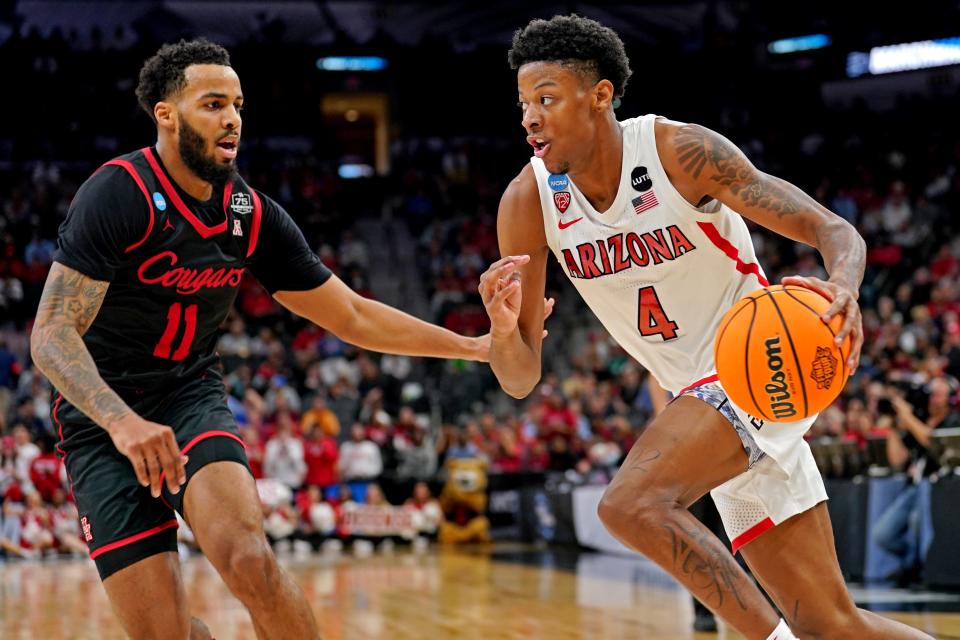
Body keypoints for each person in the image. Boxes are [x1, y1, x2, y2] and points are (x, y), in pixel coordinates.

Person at [28, 38, 528, 640]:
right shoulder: (120, 192)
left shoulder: (250, 214)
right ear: (166, 113)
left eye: (237, 104)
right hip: (100, 420)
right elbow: (51, 333)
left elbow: (354, 316)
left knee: (249, 560)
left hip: (187, 396)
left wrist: (474, 346)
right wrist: (121, 422)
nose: (233, 118)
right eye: (212, 104)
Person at [480, 15, 931, 640]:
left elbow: (834, 231)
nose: (529, 117)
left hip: (762, 365)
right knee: (833, 626)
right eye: (524, 103)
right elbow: (520, 377)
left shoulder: (678, 153)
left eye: (547, 99)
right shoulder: (526, 203)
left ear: (601, 94)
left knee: (630, 505)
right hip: (701, 398)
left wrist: (845, 287)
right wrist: (503, 330)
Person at [874, 378, 960, 586]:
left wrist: (907, 416)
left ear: (951, 399)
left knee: (916, 527)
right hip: (914, 488)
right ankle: (910, 564)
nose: (933, 398)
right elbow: (898, 460)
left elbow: (931, 440)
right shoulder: (919, 419)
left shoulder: (954, 420)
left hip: (938, 490)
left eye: (938, 394)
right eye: (931, 393)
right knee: (882, 534)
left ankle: (916, 570)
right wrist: (894, 426)